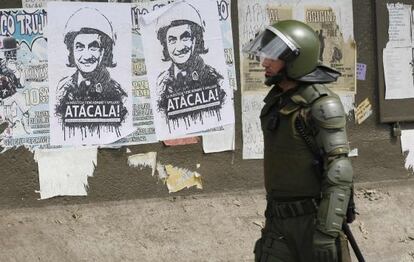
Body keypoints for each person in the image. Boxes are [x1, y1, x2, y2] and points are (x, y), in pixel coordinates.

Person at [243, 20, 354, 262]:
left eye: (273, 57)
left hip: (313, 223)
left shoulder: (321, 105)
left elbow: (340, 171)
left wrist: (327, 232)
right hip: (277, 221)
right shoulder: (279, 101)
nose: (264, 63)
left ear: (296, 60)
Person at [55, 7, 127, 136]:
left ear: (104, 51)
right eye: (80, 47)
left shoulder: (119, 94)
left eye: (94, 47)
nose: (87, 56)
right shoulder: (61, 90)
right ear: (71, 51)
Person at [155, 2, 225, 123]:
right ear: (165, 45)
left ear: (195, 40)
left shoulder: (216, 80)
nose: (179, 47)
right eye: (172, 40)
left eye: (185, 37)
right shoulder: (160, 85)